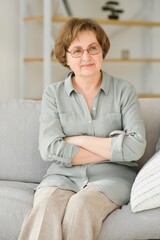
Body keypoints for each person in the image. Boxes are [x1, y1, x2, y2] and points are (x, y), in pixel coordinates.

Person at [18, 17, 146, 240]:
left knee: (81, 206)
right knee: (45, 205)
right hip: (61, 176)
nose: (86, 57)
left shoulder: (125, 91)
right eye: (77, 51)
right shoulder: (53, 94)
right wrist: (112, 148)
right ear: (65, 57)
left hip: (113, 179)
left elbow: (136, 147)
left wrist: (76, 139)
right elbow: (49, 148)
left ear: (102, 50)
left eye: (92, 48)